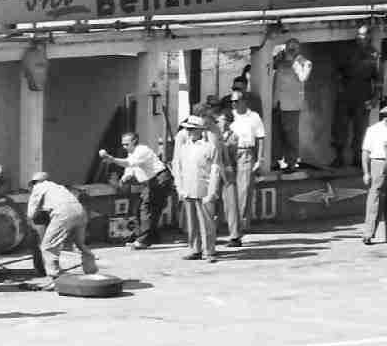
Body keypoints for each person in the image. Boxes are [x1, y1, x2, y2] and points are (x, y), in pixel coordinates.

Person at [26, 170, 97, 289]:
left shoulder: (38, 188)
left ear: (34, 183)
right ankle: (91, 271)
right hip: (80, 211)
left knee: (47, 247)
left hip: (63, 213)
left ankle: (56, 278)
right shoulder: (58, 187)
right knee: (80, 244)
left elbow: (31, 214)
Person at [100, 132, 172, 249]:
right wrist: (123, 179)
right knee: (144, 208)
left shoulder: (142, 150)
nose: (124, 147)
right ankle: (150, 237)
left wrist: (112, 159)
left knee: (146, 208)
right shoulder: (131, 154)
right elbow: (129, 169)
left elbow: (129, 163)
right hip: (151, 181)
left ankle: (143, 240)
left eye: (126, 144)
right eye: (123, 144)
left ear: (134, 141)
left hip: (159, 179)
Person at [171, 116, 220, 263]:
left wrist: (212, 192)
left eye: (192, 129)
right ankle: (195, 249)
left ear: (200, 130)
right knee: (191, 223)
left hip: (204, 188)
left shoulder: (210, 147)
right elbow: (178, 168)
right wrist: (179, 187)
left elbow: (215, 171)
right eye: (187, 129)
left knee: (207, 223)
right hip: (188, 188)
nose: (189, 132)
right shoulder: (184, 148)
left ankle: (209, 251)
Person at [333, 25, 380, 167]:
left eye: (364, 35)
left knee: (360, 129)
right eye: (359, 35)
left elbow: (378, 79)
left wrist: (375, 97)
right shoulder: (348, 50)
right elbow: (337, 72)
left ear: (369, 37)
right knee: (340, 127)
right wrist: (340, 89)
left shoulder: (374, 54)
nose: (361, 38)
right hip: (346, 93)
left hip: (364, 95)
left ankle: (358, 159)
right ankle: (339, 157)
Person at [223, 97, 264, 246]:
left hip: (246, 152)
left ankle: (238, 232)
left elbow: (261, 138)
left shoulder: (253, 117)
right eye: (232, 101)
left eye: (237, 100)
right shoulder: (228, 115)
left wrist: (260, 159)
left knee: (244, 192)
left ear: (244, 101)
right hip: (230, 153)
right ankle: (233, 229)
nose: (234, 103)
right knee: (229, 192)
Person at [361, 105, 387, 246]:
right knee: (375, 199)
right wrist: (366, 173)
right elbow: (366, 152)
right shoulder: (373, 130)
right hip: (378, 163)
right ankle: (368, 233)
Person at [271, 40, 312, 172]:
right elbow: (270, 66)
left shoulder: (305, 63)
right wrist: (278, 57)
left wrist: (294, 62)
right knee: (276, 134)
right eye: (288, 49)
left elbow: (303, 77)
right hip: (277, 103)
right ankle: (275, 160)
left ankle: (292, 162)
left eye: (293, 49)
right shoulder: (280, 61)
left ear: (298, 50)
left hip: (292, 106)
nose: (290, 51)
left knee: (291, 136)